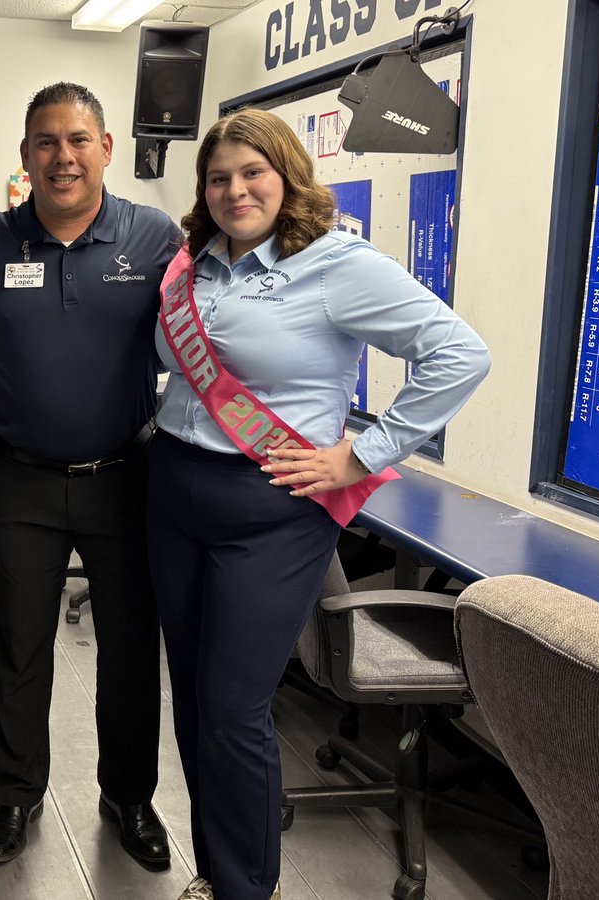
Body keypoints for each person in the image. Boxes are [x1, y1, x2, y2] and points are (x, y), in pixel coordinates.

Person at [149, 107, 491, 900]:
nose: (236, 190)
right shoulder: (192, 264)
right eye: (220, 177)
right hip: (174, 490)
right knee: (197, 700)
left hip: (272, 504)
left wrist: (361, 454)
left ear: (288, 175)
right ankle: (217, 869)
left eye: (253, 173)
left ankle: (247, 887)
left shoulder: (336, 263)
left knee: (234, 709)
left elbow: (460, 355)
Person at [0, 83, 181, 867]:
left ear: (107, 149)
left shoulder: (154, 239)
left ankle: (130, 798)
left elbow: (218, 331)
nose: (63, 156)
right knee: (19, 649)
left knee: (128, 650)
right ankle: (15, 799)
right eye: (46, 142)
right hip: (18, 482)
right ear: (25, 155)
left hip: (127, 477)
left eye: (78, 140)